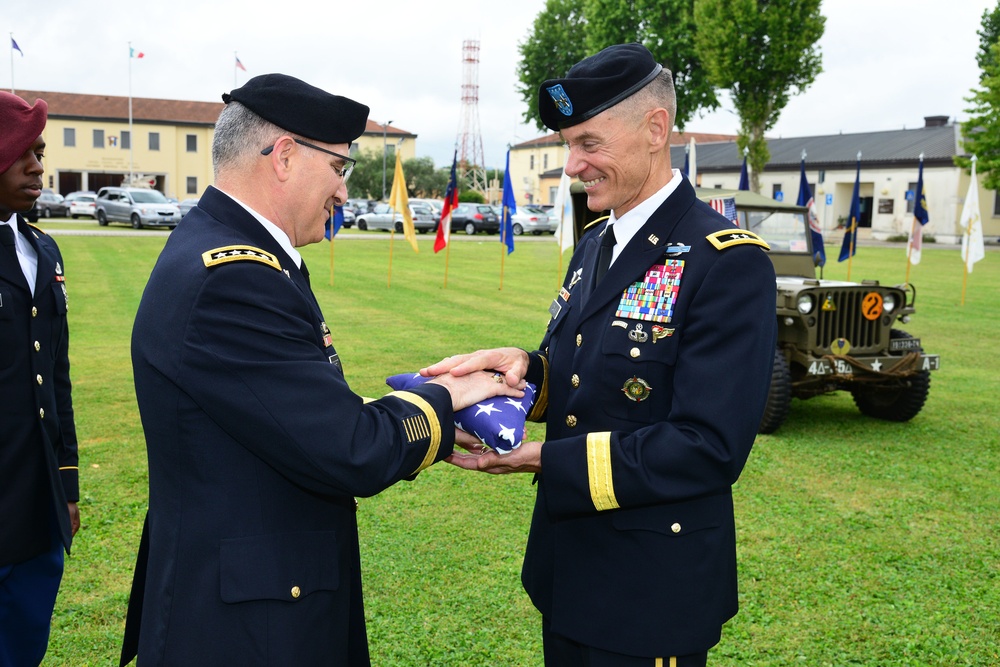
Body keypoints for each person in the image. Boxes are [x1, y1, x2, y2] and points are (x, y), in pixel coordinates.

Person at [118, 73, 521, 667]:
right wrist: (449, 395)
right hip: (249, 624)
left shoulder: (232, 250)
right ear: (284, 157)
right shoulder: (236, 278)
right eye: (339, 168)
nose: (342, 192)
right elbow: (349, 449)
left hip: (251, 593)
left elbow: (287, 415)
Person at [424, 43, 777, 666]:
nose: (570, 166)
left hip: (650, 592)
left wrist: (547, 462)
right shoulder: (595, 243)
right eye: (567, 144)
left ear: (655, 130)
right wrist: (528, 371)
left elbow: (709, 446)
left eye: (588, 143)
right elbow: (592, 378)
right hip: (569, 571)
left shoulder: (726, 260)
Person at [0, 91, 81, 666]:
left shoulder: (41, 248)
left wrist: (68, 487)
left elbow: (56, 375)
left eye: (41, 151)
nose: (37, 166)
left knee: (25, 644)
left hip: (36, 506)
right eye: (20, 152)